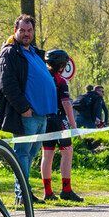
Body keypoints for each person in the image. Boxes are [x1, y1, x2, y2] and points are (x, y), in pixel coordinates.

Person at [0, 14, 57, 205]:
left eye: (29, 30)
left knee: (31, 154)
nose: (26, 34)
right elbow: (7, 83)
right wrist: (23, 108)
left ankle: (24, 192)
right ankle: (22, 194)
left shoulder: (34, 52)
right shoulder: (10, 53)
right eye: (22, 30)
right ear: (15, 30)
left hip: (41, 114)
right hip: (26, 114)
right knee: (22, 153)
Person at [40, 49, 82, 202]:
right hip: (59, 119)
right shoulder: (60, 80)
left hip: (45, 119)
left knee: (47, 154)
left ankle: (48, 192)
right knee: (67, 152)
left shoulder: (42, 77)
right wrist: (73, 125)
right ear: (63, 65)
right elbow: (66, 103)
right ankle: (66, 189)